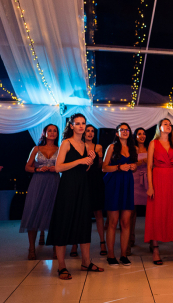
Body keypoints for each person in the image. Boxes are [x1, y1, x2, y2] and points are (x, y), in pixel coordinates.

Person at [46, 113, 104, 280]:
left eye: (83, 123)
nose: (81, 126)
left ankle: (86, 262)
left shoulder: (86, 146)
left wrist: (89, 161)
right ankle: (61, 266)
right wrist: (80, 161)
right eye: (77, 123)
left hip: (83, 187)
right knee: (64, 223)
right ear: (71, 126)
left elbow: (83, 169)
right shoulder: (66, 143)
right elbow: (58, 168)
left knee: (84, 223)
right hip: (67, 187)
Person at [145, 118, 173, 265]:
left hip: (172, 180)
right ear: (159, 127)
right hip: (158, 179)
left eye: (170, 124)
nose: (168, 126)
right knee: (157, 213)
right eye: (165, 124)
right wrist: (150, 186)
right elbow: (149, 166)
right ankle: (155, 249)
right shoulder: (153, 143)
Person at [19, 124, 60, 260]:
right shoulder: (36, 149)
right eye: (50, 130)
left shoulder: (60, 149)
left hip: (54, 182)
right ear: (44, 133)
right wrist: (37, 169)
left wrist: (57, 168)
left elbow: (64, 167)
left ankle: (55, 247)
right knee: (34, 212)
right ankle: (31, 248)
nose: (52, 133)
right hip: (38, 182)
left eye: (55, 131)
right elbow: (26, 167)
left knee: (54, 213)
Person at [103, 123, 137, 267]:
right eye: (122, 130)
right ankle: (111, 255)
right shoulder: (111, 147)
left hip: (127, 184)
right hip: (114, 184)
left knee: (126, 222)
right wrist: (118, 167)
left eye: (127, 130)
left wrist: (133, 167)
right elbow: (104, 167)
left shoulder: (133, 148)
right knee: (113, 222)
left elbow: (133, 165)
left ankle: (123, 255)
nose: (125, 132)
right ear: (117, 133)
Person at [70, 124, 106, 258]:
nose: (90, 133)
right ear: (83, 132)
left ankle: (103, 242)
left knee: (98, 213)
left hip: (95, 181)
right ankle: (74, 243)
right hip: (81, 180)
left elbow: (101, 166)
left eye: (92, 131)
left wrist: (99, 158)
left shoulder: (98, 147)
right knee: (79, 213)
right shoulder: (78, 145)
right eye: (88, 131)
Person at [129, 127, 148, 252]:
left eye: (143, 134)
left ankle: (151, 239)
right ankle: (130, 239)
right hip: (135, 179)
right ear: (135, 136)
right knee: (132, 212)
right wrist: (142, 161)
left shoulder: (150, 148)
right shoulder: (132, 149)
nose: (142, 136)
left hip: (147, 180)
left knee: (150, 211)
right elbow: (131, 164)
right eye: (139, 134)